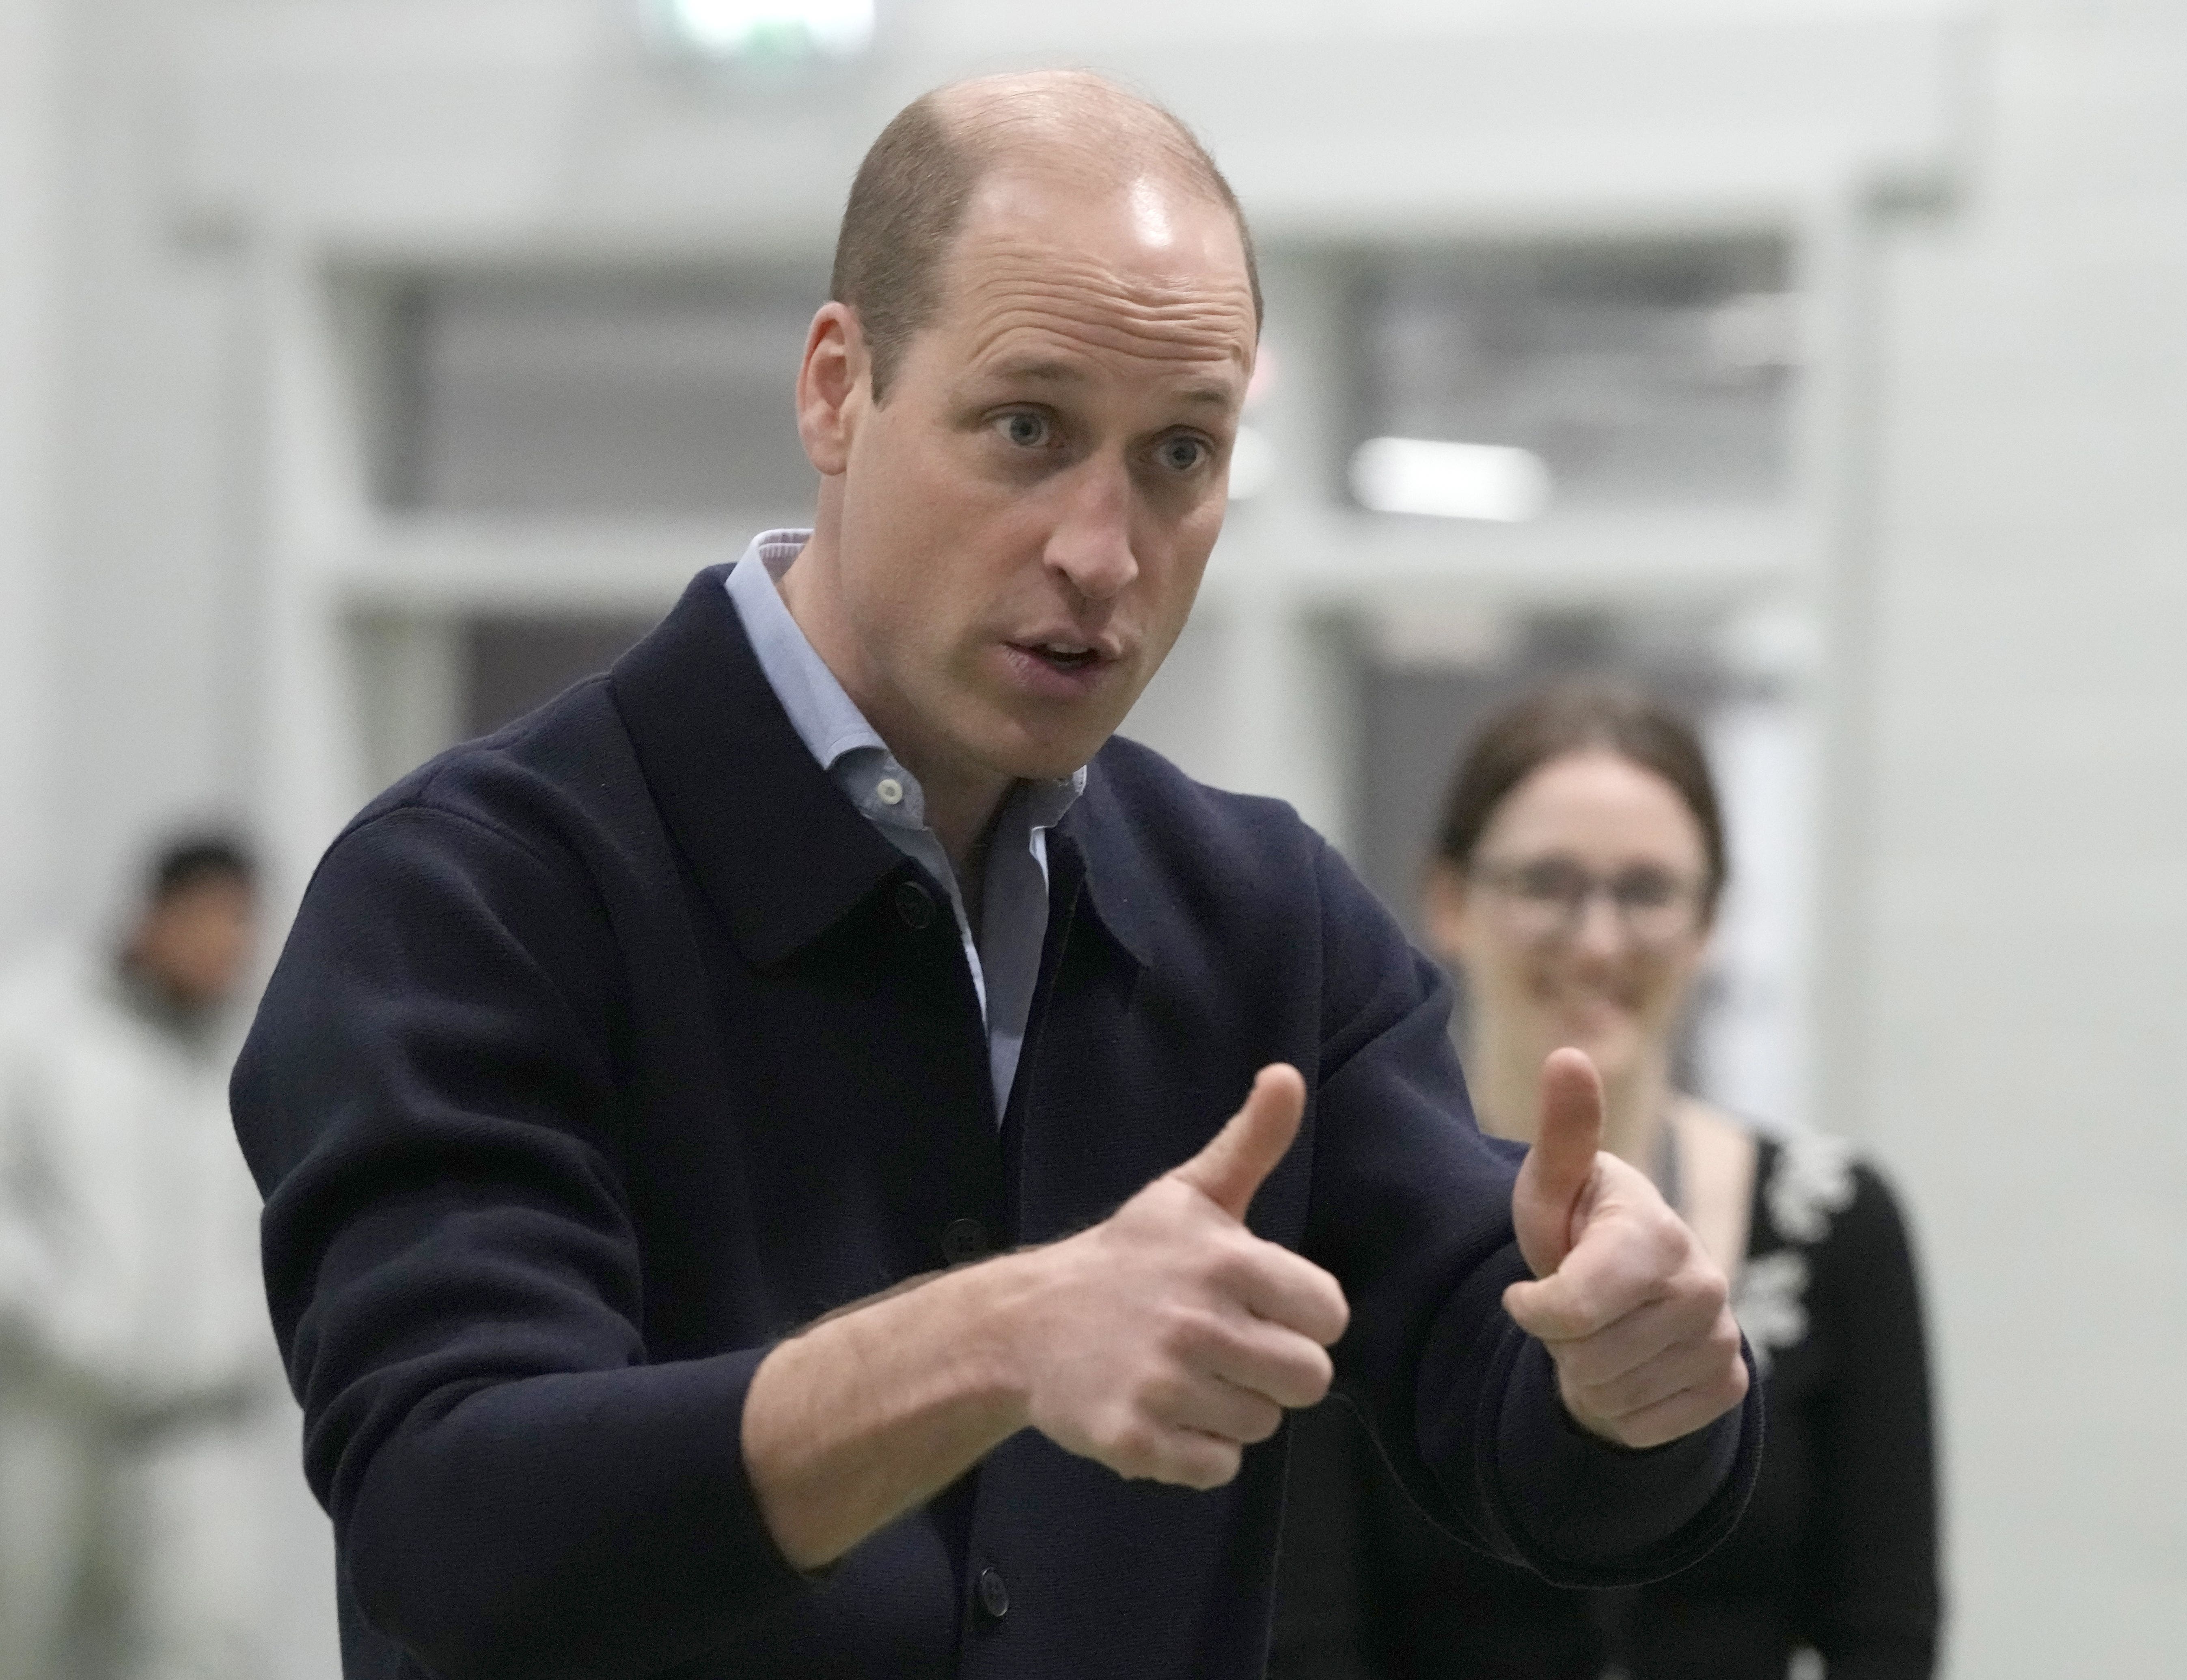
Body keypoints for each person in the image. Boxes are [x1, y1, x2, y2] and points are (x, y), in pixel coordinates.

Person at [228, 72, 1762, 1680]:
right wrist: (997, 1339)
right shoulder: (475, 898)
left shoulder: (1262, 920)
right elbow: (455, 1525)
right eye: (1026, 429)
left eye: (1180, 454)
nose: (1102, 554)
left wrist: (1634, 1376)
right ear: (837, 390)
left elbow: (1506, 1402)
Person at [1271, 681, 1941, 1680]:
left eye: (1647, 890)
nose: (1598, 940)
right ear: (1449, 900)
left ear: (1710, 921)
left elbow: (1884, 1635)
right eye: (1546, 882)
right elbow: (1308, 1643)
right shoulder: (1343, 1222)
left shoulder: (1836, 1222)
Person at [0, 834, 334, 1680]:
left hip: (200, 1437)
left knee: (202, 1650)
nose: (227, 948)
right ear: (157, 912)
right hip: (50, 1419)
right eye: (211, 921)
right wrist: (63, 1323)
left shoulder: (253, 1055)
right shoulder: (38, 1027)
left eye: (242, 928)